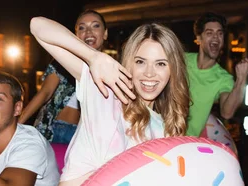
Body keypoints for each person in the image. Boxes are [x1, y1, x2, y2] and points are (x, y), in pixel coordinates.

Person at [30, 16, 190, 185]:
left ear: (172, 70)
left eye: (161, 64)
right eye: (140, 62)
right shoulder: (104, 91)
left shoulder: (165, 130)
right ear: (130, 63)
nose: (149, 73)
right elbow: (38, 26)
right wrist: (93, 57)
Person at [19, 10, 109, 144]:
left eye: (95, 26)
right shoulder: (64, 60)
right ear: (76, 35)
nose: (88, 32)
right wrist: (17, 124)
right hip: (55, 129)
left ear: (105, 33)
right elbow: (45, 93)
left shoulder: (110, 69)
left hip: (86, 139)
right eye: (82, 28)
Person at [185, 12, 248, 137]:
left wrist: (241, 79)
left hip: (185, 143)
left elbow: (227, 113)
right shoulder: (181, 60)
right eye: (210, 33)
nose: (216, 37)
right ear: (199, 38)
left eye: (220, 33)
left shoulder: (223, 78)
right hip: (157, 133)